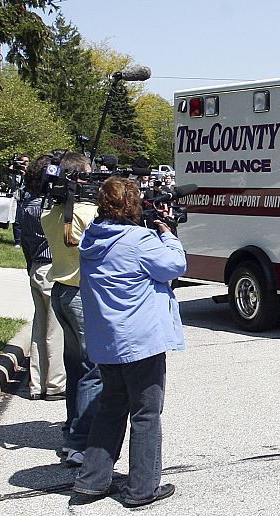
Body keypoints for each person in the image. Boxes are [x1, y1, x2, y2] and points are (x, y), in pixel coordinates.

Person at [73, 177, 186, 507]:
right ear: (132, 205)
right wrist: (168, 233)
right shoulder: (139, 240)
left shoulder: (91, 237)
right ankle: (142, 489)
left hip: (108, 340)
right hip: (141, 339)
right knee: (146, 413)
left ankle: (92, 481)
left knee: (111, 407)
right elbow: (174, 266)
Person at [41, 152, 102, 467]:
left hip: (61, 293)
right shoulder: (87, 214)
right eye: (89, 175)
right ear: (79, 179)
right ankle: (81, 442)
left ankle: (71, 431)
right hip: (81, 295)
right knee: (94, 368)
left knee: (76, 367)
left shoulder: (50, 214)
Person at [20, 155, 66, 401]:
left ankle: (36, 383)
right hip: (52, 268)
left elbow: (26, 243)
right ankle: (56, 384)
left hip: (36, 267)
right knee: (54, 330)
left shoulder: (27, 206)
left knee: (39, 328)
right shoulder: (51, 209)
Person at [10, 154, 30, 247]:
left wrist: (25, 173)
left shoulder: (31, 173)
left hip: (28, 199)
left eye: (26, 162)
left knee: (27, 221)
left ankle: (26, 241)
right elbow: (10, 183)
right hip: (17, 198)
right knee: (17, 220)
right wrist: (11, 170)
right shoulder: (15, 172)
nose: (24, 163)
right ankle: (18, 241)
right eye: (22, 161)